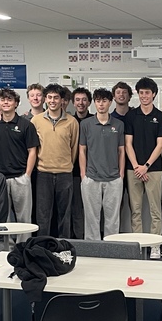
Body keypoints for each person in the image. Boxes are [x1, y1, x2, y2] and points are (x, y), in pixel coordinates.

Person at [124, 77, 162, 256]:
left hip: (154, 169)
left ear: (154, 94)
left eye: (147, 93)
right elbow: (128, 144)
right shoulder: (131, 116)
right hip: (133, 169)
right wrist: (136, 166)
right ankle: (138, 245)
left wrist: (146, 166)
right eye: (141, 93)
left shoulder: (161, 117)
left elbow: (160, 145)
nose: (144, 96)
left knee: (155, 210)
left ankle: (155, 246)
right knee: (135, 210)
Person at [0, 88, 38, 235]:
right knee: (3, 218)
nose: (6, 102)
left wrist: (27, 175)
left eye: (9, 100)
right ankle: (6, 249)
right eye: (3, 100)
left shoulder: (26, 125)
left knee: (24, 218)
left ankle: (24, 247)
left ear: (16, 103)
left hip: (20, 177)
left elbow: (32, 151)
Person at [31, 84, 79, 238]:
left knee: (64, 215)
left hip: (64, 174)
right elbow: (34, 147)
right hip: (43, 173)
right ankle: (42, 247)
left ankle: (63, 247)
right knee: (43, 215)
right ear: (45, 99)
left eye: (56, 97)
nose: (52, 101)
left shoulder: (72, 122)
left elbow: (74, 149)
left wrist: (66, 165)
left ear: (62, 100)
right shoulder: (36, 121)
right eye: (50, 97)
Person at [78, 87, 125, 241]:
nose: (101, 104)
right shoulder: (85, 124)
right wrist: (83, 175)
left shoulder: (118, 125)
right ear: (94, 103)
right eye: (98, 101)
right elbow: (82, 151)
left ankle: (111, 249)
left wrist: (121, 175)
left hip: (113, 179)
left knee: (112, 219)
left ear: (110, 102)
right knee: (91, 219)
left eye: (104, 101)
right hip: (91, 178)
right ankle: (93, 250)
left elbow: (121, 151)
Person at [69, 87, 92, 239]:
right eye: (77, 100)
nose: (81, 103)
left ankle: (87, 240)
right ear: (73, 102)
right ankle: (76, 240)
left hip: (91, 173)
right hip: (71, 172)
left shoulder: (94, 121)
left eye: (84, 100)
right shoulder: (69, 121)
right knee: (75, 209)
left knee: (89, 210)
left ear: (89, 102)